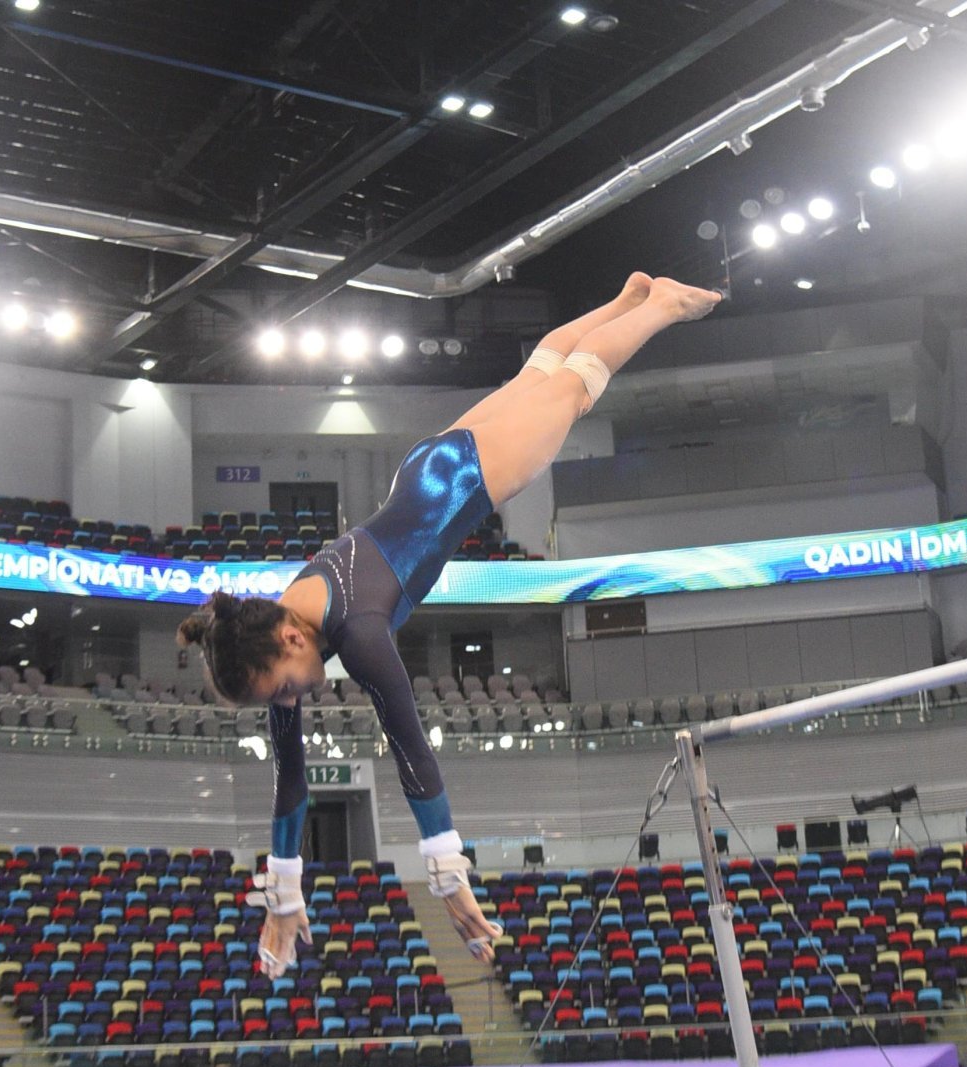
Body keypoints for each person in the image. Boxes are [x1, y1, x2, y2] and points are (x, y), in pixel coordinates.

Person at [177, 273, 721, 976]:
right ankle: (621, 299)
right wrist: (283, 896)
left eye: (281, 689)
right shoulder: (284, 610)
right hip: (424, 471)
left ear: (286, 643)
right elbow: (290, 778)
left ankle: (663, 306)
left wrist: (448, 875)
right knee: (542, 373)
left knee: (579, 384)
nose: (290, 699)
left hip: (470, 479)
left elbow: (412, 755)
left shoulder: (361, 632)